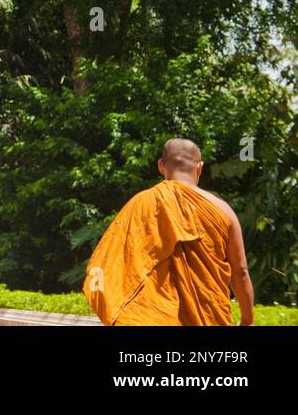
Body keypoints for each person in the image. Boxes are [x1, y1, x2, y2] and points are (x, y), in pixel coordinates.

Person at [84, 138, 254, 326]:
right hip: (209, 320)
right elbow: (241, 272)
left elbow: (110, 263)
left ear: (161, 166)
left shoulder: (141, 204)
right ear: (200, 167)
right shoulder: (223, 210)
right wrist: (247, 321)